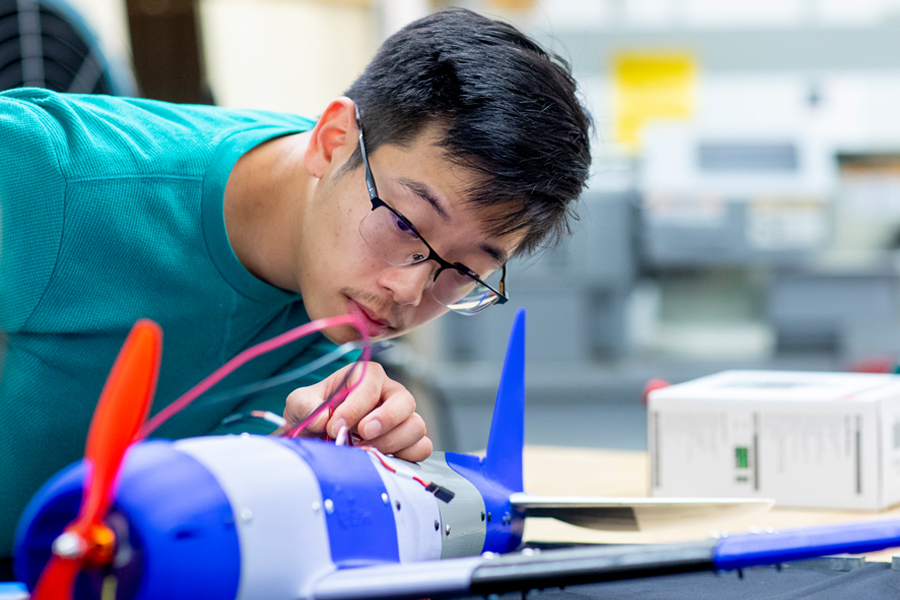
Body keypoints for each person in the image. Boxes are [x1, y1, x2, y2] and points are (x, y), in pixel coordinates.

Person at [0, 7, 592, 564]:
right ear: (332, 141)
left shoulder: (334, 335)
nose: (410, 291)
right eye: (406, 224)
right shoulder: (41, 172)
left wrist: (307, 463)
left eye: (463, 271)